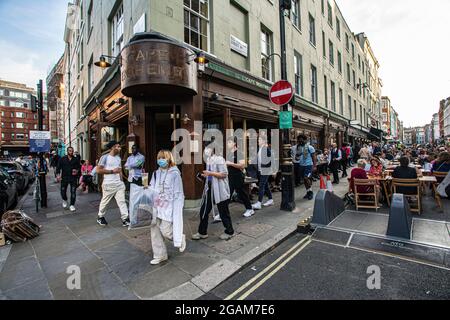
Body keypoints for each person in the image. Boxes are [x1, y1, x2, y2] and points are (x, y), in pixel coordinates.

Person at [149, 150, 186, 265]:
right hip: (156, 205)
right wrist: (147, 189)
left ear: (169, 159)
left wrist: (178, 207)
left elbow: (179, 193)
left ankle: (180, 237)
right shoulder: (156, 173)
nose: (161, 160)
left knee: (166, 231)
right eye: (159, 158)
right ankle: (160, 255)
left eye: (163, 158)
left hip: (168, 207)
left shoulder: (175, 173)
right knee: (154, 231)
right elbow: (152, 187)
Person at [192, 146, 235, 241]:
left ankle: (229, 231)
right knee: (203, 211)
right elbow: (210, 175)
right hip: (210, 189)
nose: (206, 150)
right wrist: (204, 176)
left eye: (208, 148)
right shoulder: (208, 160)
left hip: (219, 190)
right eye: (205, 148)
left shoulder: (220, 159)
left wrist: (210, 173)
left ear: (213, 149)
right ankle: (202, 232)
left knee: (223, 211)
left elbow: (224, 174)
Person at [96, 141, 130, 227]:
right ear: (112, 147)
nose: (120, 148)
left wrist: (122, 182)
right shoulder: (105, 157)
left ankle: (125, 219)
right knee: (105, 202)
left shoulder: (118, 158)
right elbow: (98, 170)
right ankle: (100, 217)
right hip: (108, 184)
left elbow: (119, 171)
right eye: (118, 147)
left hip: (119, 184)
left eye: (119, 146)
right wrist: (112, 171)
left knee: (122, 202)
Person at [226, 137, 254, 218]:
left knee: (242, 193)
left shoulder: (239, 153)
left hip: (238, 177)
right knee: (228, 194)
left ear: (234, 143)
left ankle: (250, 209)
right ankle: (223, 213)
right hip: (230, 177)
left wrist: (230, 163)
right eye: (228, 142)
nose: (228, 144)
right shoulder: (229, 153)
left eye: (230, 142)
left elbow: (242, 165)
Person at [56, 147, 81, 212]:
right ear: (67, 151)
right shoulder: (62, 159)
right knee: (63, 192)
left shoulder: (76, 159)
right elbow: (58, 167)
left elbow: (79, 167)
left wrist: (77, 171)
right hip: (64, 178)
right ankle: (64, 199)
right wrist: (58, 175)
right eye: (70, 151)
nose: (71, 152)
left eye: (72, 151)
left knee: (73, 192)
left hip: (73, 178)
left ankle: (72, 205)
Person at [252, 135, 274, 210]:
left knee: (261, 185)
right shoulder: (259, 149)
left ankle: (259, 203)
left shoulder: (266, 149)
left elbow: (271, 159)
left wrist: (271, 169)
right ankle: (270, 199)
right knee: (265, 185)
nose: (258, 141)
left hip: (265, 170)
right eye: (258, 140)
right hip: (260, 170)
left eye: (260, 140)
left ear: (264, 141)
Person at [292, 135, 316, 200]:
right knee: (304, 180)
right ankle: (308, 192)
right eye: (299, 140)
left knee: (306, 178)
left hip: (308, 165)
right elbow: (297, 158)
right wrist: (297, 157)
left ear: (305, 140)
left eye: (301, 140)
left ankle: (310, 192)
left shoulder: (310, 147)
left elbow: (314, 157)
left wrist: (314, 166)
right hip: (301, 165)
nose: (300, 141)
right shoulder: (298, 148)